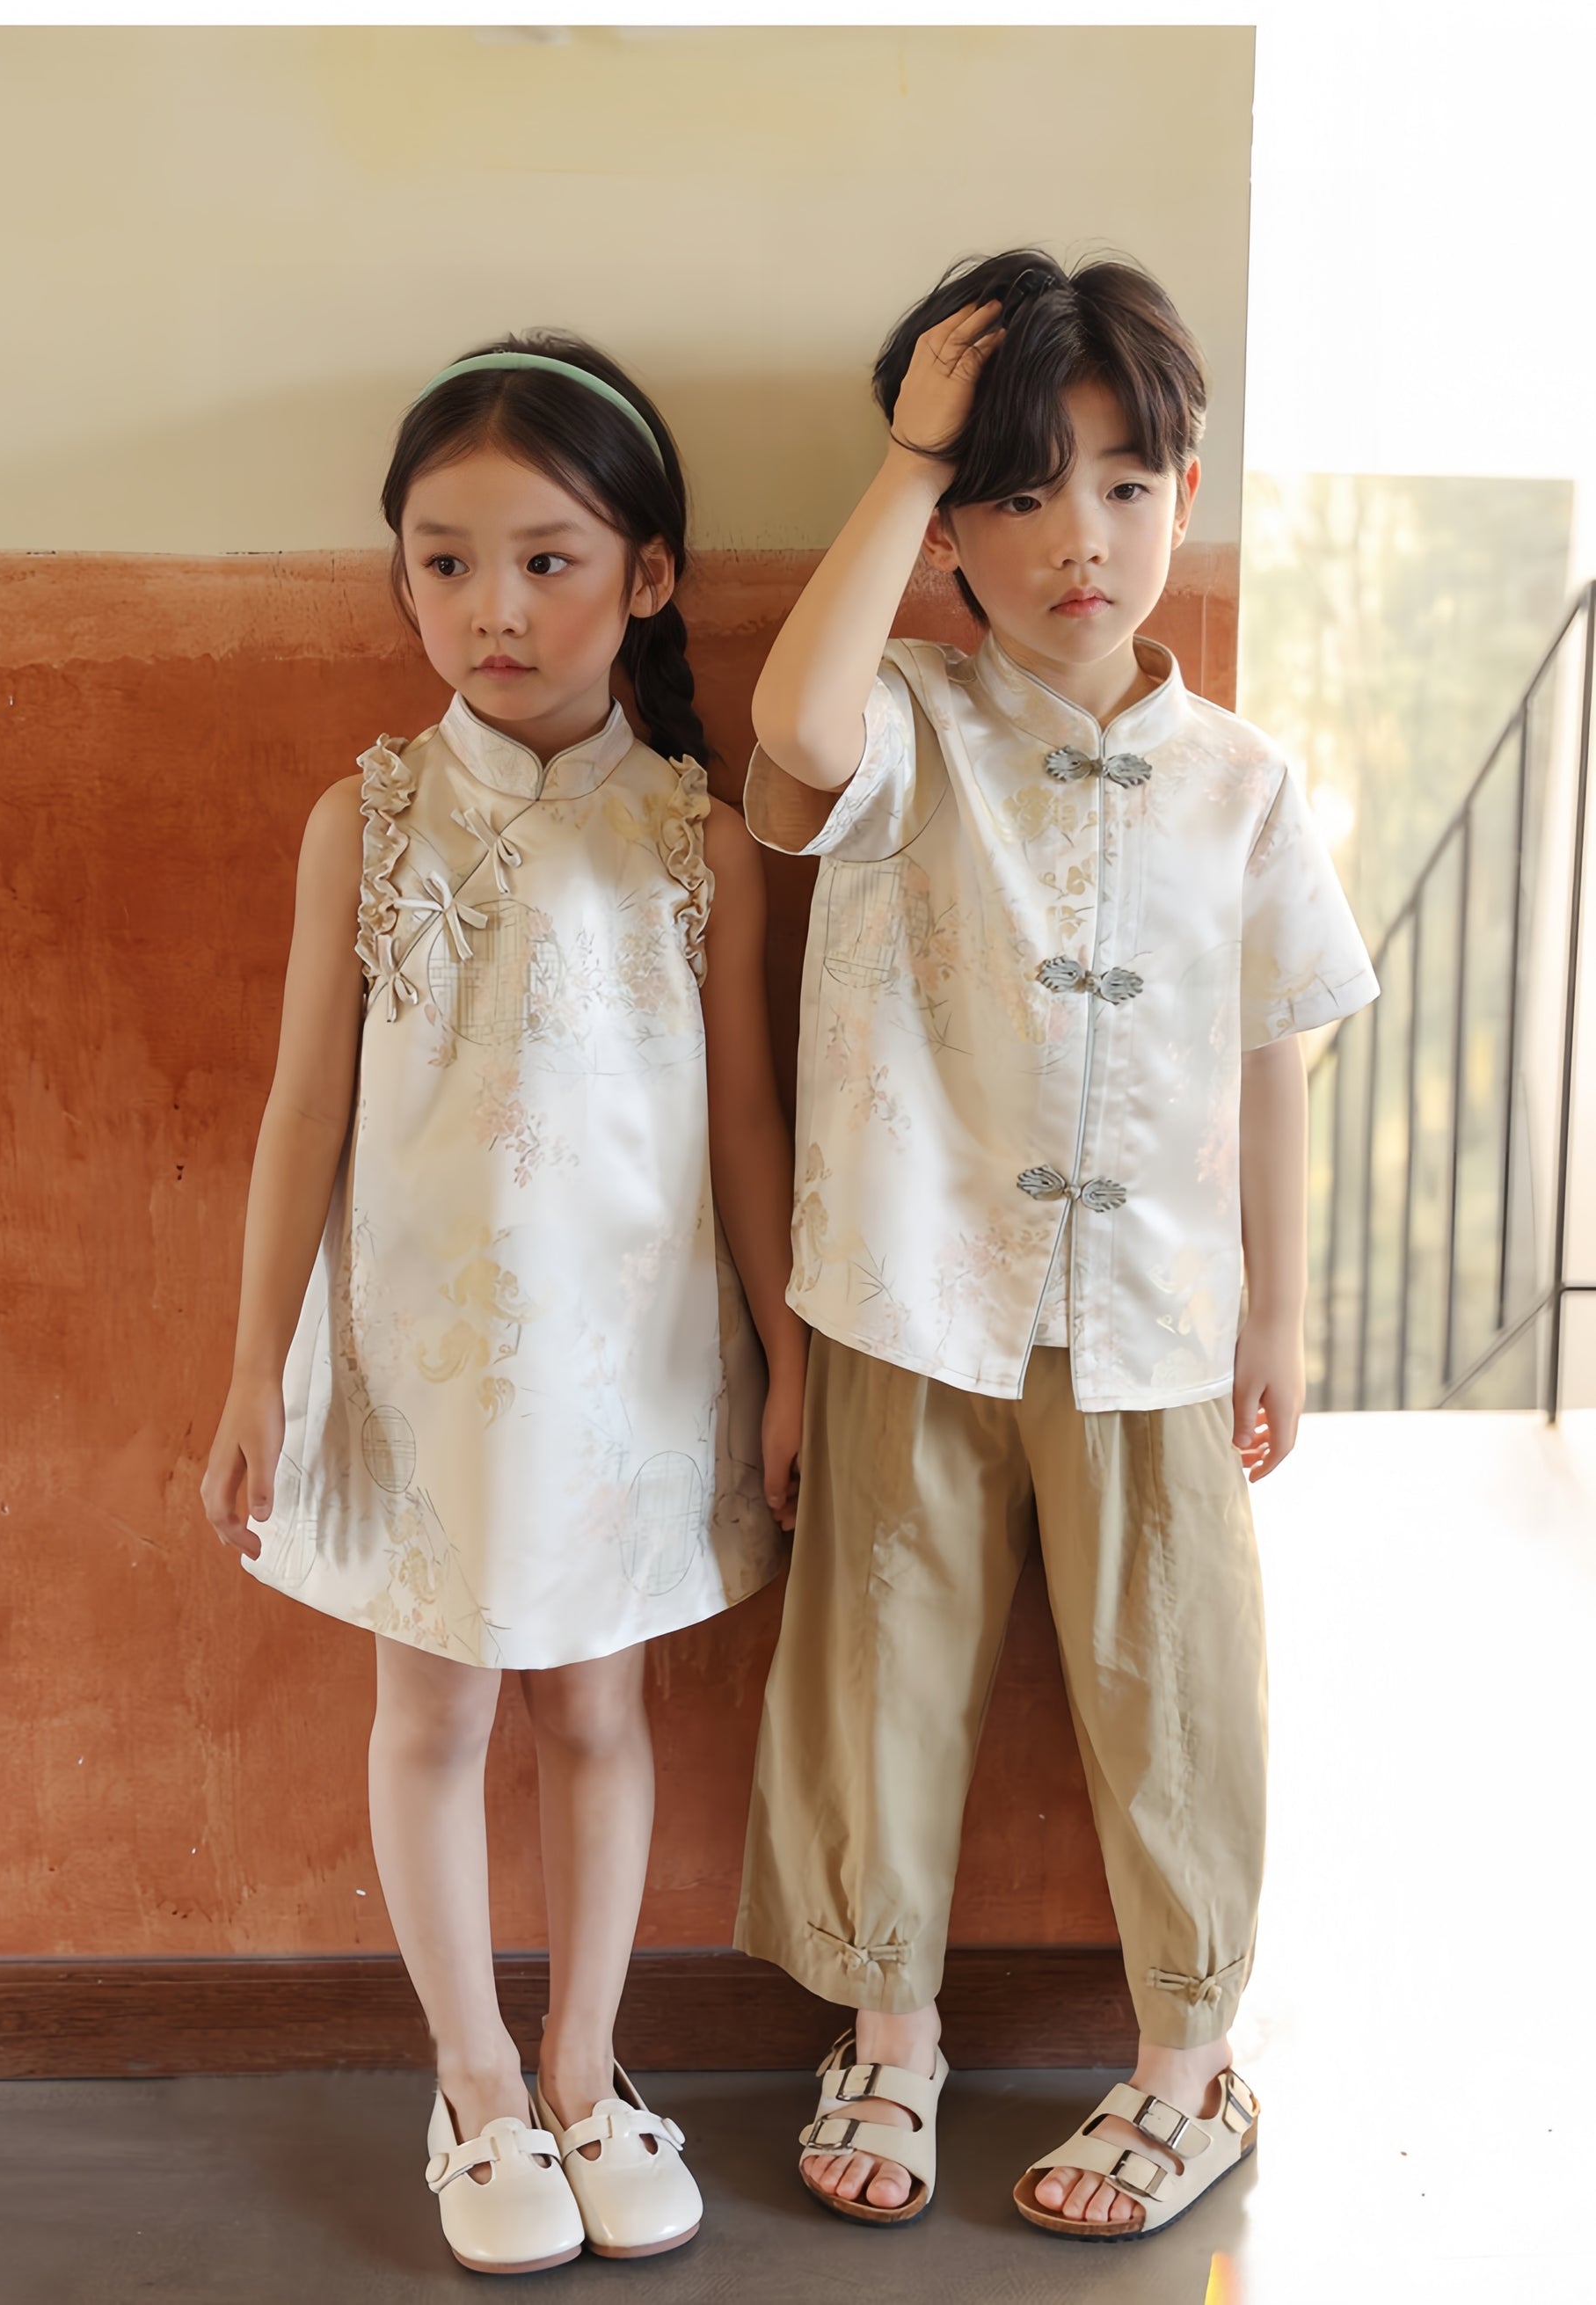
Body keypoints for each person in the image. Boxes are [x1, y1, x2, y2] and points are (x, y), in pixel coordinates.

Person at [732, 252, 1378, 2242]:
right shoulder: (907, 718)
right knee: (878, 1663)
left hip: (1163, 1317)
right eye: (1017, 492)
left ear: (1185, 492)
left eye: (1120, 482)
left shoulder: (1242, 781)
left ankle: (1191, 2071)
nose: (1077, 538)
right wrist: (920, 447)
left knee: (1171, 1677)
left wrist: (1279, 1308)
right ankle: (890, 2029)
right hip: (909, 1296)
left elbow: (1273, 1054)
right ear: (945, 536)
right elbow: (794, 728)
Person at [200, 333, 800, 2277]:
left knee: (599, 1705)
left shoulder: (697, 841)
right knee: (437, 1702)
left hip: (630, 1366)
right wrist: (252, 1372)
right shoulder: (360, 823)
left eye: (546, 557)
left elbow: (742, 1139)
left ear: (644, 576)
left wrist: (787, 1365)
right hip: (417, 1353)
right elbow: (305, 1108)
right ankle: (470, 2088)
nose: (490, 606)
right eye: (442, 560)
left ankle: (587, 2067)